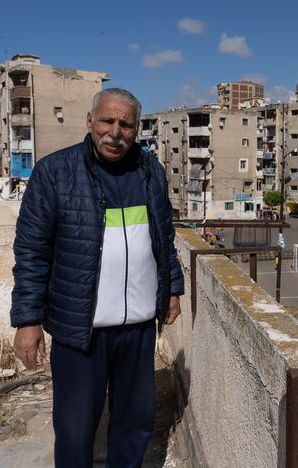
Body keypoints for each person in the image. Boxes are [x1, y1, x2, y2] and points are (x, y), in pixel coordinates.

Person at [10, 88, 184, 467]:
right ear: (90, 122)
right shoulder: (55, 172)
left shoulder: (150, 171)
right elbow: (31, 251)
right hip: (79, 330)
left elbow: (163, 237)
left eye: (126, 124)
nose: (115, 132)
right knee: (75, 428)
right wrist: (27, 320)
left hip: (137, 327)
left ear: (136, 129)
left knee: (135, 423)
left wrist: (172, 289)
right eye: (107, 121)